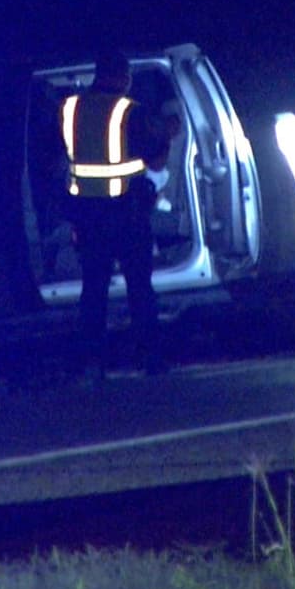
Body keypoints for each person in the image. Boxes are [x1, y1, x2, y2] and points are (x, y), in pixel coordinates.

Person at [61, 50, 176, 379]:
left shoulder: (70, 109)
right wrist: (166, 134)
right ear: (122, 77)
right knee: (139, 288)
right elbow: (155, 161)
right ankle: (150, 358)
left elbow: (61, 158)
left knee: (93, 291)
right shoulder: (130, 112)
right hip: (127, 215)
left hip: (88, 217)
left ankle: (91, 364)